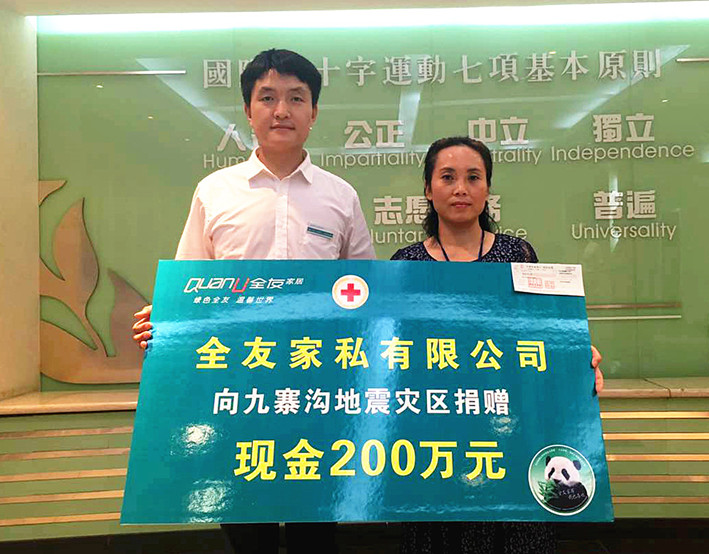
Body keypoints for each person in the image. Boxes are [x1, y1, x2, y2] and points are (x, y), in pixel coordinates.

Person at [132, 48, 375, 554]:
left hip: (318, 387)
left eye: (296, 98)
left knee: (316, 528)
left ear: (314, 112)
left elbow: (365, 293)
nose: (281, 110)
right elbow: (191, 284)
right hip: (236, 386)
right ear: (248, 110)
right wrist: (165, 322)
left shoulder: (341, 196)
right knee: (246, 526)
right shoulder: (214, 191)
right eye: (267, 98)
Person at [391, 136, 603, 554]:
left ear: (488, 188)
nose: (461, 189)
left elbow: (543, 332)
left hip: (511, 426)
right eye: (447, 177)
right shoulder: (405, 264)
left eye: (474, 177)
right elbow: (396, 351)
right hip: (437, 431)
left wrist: (577, 354)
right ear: (428, 189)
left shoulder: (516, 254)